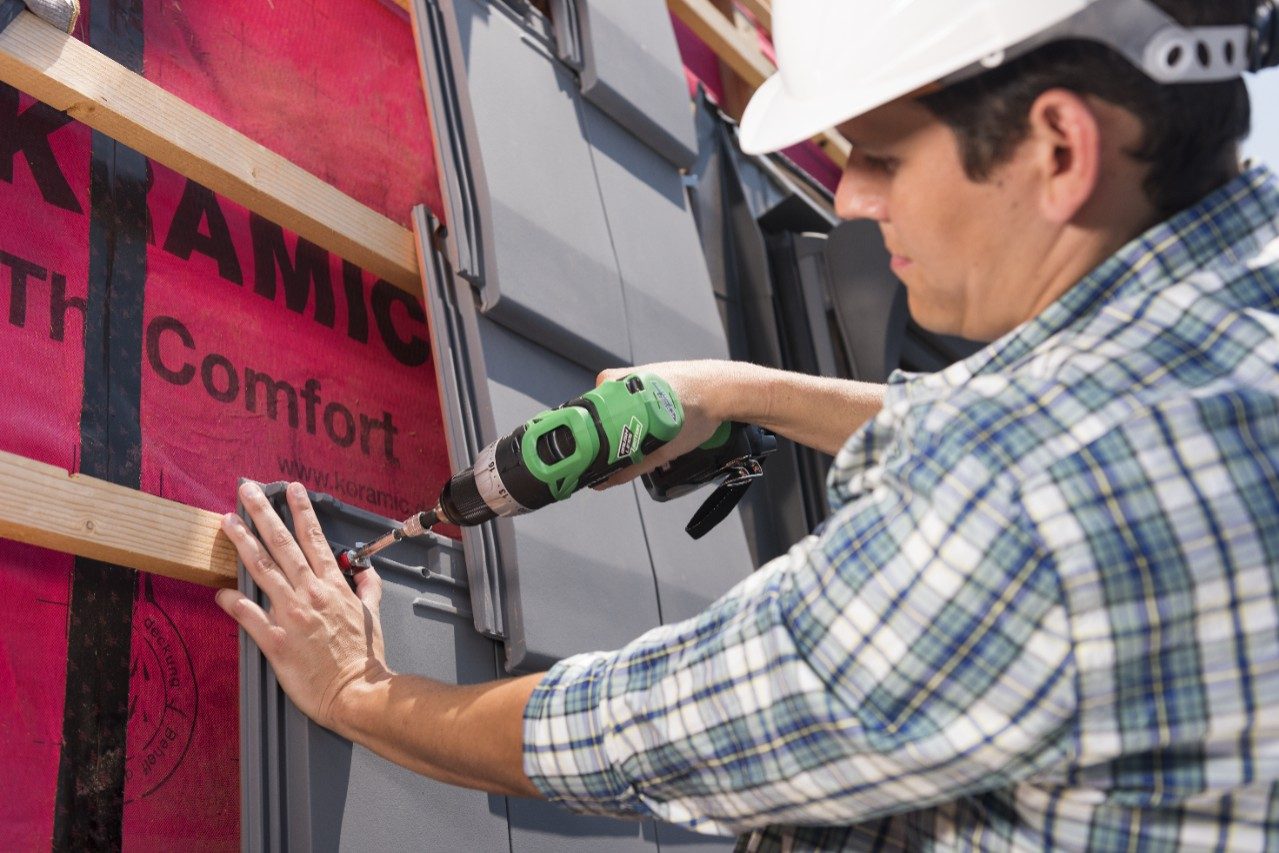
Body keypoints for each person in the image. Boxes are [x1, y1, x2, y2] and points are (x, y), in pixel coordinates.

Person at [217, 0, 1279, 848]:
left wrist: (359, 692)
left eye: (878, 155)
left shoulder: (1021, 495)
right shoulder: (1234, 309)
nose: (853, 199)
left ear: (1058, 147)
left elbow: (649, 729)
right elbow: (1028, 412)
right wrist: (741, 391)